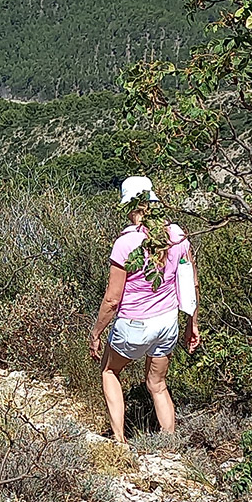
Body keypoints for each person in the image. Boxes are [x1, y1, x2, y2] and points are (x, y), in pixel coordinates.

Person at [89, 175, 199, 443]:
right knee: (158, 385)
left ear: (129, 206)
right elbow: (190, 284)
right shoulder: (178, 236)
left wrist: (96, 333)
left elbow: (112, 299)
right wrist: (191, 324)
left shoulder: (126, 243)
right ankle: (169, 445)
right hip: (167, 322)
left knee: (110, 371)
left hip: (134, 324)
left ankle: (119, 440)